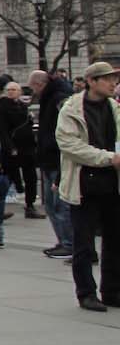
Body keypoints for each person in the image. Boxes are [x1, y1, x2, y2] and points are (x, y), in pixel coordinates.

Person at [54, 60, 120, 313]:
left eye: (114, 79)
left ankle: (112, 290)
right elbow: (71, 146)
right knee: (84, 244)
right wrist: (108, 158)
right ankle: (86, 293)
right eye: (108, 79)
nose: (113, 83)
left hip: (113, 184)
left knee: (115, 241)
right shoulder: (71, 110)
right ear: (91, 82)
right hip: (84, 185)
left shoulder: (115, 108)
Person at [29, 68, 75, 258]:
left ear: (39, 84)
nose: (33, 92)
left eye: (32, 88)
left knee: (60, 204)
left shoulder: (58, 98)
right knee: (50, 204)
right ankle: (63, 240)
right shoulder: (50, 98)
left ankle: (69, 243)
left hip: (57, 159)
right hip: (48, 158)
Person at [0, 81, 42, 219]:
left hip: (27, 147)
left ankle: (30, 206)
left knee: (31, 177)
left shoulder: (22, 106)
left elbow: (25, 125)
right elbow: (2, 130)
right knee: (7, 178)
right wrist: (10, 147)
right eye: (9, 89)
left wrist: (30, 120)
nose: (11, 92)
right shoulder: (2, 106)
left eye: (14, 89)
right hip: (11, 148)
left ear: (20, 92)